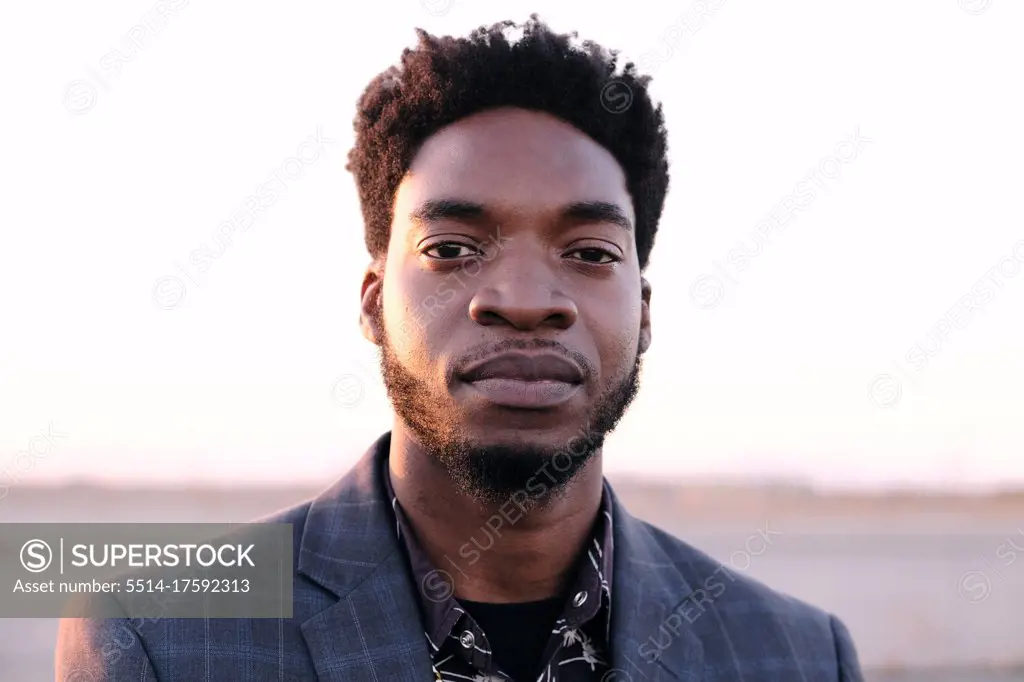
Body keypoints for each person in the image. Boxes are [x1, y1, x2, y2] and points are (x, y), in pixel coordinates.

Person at [57, 15, 864, 681]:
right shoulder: (160, 636)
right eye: (452, 248)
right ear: (374, 302)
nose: (522, 301)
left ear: (644, 311)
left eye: (588, 253)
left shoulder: (794, 655)